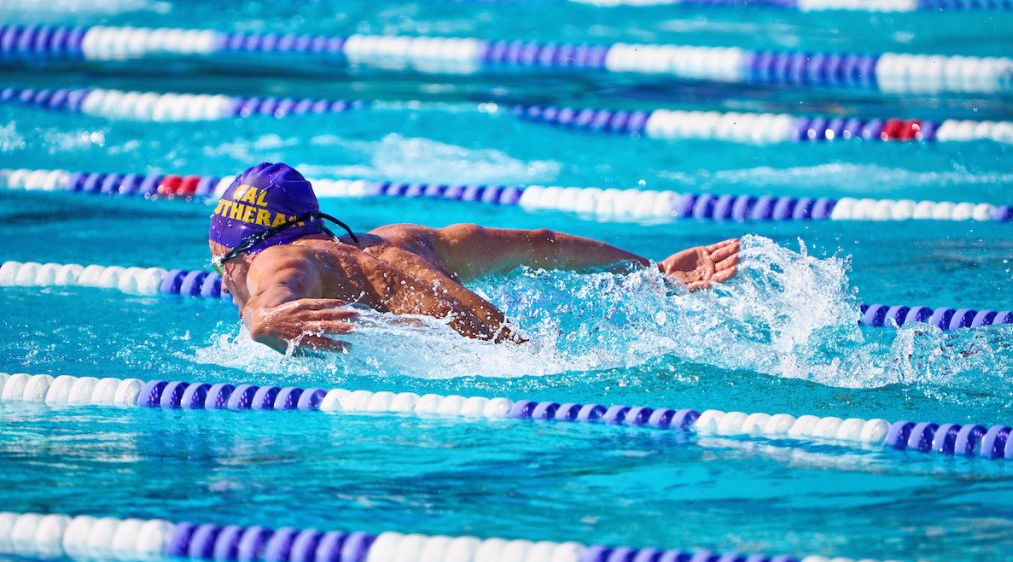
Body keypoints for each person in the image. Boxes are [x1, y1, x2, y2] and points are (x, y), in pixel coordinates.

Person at [210, 162, 740, 353]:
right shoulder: (402, 239)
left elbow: (275, 289)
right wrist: (651, 270)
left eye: (220, 265)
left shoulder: (272, 259)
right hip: (522, 355)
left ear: (241, 249)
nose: (225, 280)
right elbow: (540, 242)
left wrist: (262, 316)